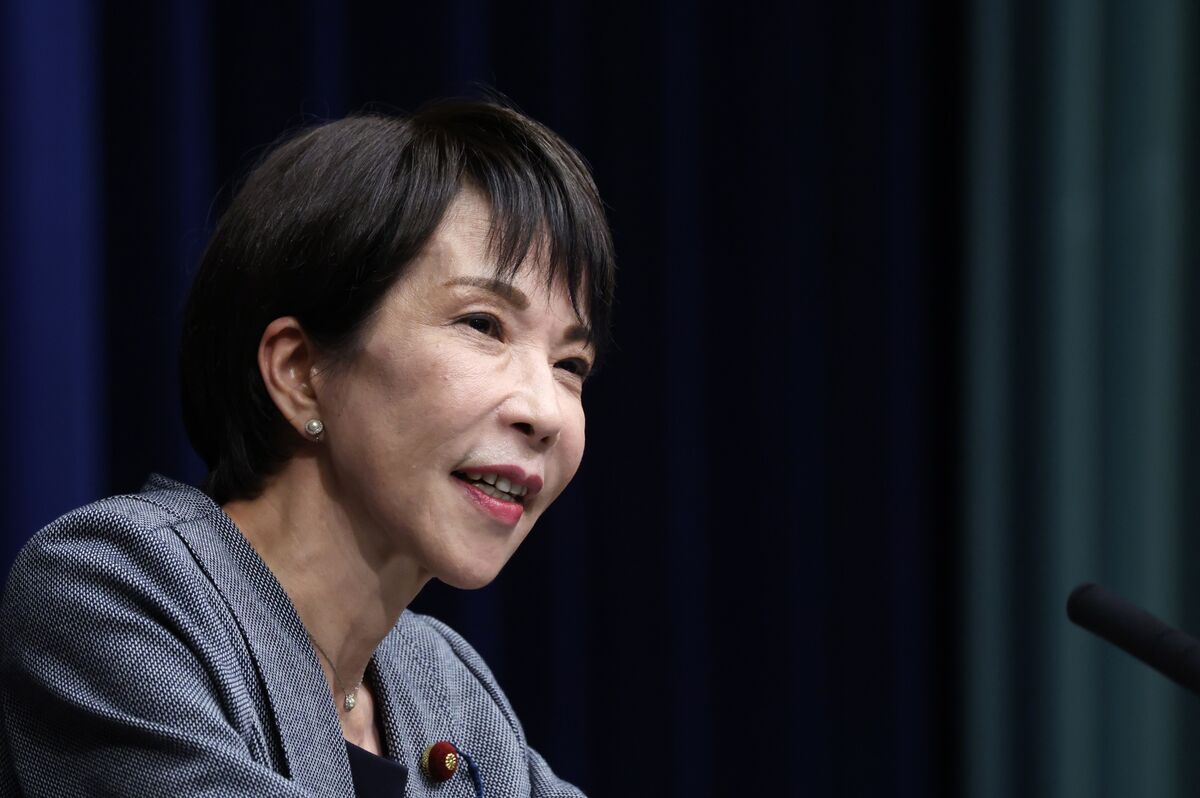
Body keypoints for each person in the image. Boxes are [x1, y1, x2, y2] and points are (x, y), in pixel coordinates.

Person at [0, 98, 615, 797]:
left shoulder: (450, 689)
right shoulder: (117, 591)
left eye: (571, 364)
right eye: (483, 324)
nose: (545, 412)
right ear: (299, 372)